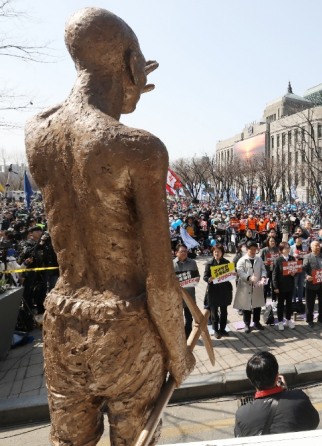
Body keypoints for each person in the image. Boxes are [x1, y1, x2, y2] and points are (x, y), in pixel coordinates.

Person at [25, 8, 194, 444]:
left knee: (67, 441)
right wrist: (178, 351)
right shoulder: (139, 149)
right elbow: (159, 276)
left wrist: (120, 77)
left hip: (62, 321)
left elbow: (69, 109)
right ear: (131, 62)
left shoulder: (36, 135)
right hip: (126, 325)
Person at [234, 351, 319, 436]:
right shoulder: (299, 398)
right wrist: (285, 392)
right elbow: (314, 422)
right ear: (277, 376)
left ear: (250, 380)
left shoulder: (242, 414)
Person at [233, 242, 268, 333]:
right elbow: (240, 272)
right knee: (246, 305)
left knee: (257, 304)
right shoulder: (242, 260)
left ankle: (256, 322)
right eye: (251, 249)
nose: (253, 251)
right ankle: (247, 324)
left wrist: (263, 277)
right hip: (245, 286)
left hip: (257, 285)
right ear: (247, 249)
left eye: (254, 249)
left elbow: (263, 269)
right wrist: (248, 277)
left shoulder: (259, 259)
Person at [203, 244, 233, 338]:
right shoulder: (209, 263)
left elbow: (231, 274)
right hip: (213, 291)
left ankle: (223, 329)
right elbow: (205, 277)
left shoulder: (227, 262)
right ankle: (215, 330)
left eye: (218, 251)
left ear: (222, 253)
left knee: (224, 311)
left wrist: (233, 274)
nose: (216, 253)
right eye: (215, 251)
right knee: (214, 312)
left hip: (224, 290)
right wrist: (209, 279)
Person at [173, 244, 201, 337]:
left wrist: (196, 279)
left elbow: (197, 275)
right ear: (176, 253)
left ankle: (187, 335)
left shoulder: (192, 263)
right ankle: (179, 336)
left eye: (185, 251)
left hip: (189, 295)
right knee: (178, 318)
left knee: (189, 318)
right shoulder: (171, 264)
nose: (184, 253)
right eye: (182, 251)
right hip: (176, 297)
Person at [302, 240, 322, 328]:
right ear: (311, 247)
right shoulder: (307, 257)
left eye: (319, 246)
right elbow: (303, 269)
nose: (318, 247)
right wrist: (306, 276)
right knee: (310, 303)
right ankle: (310, 320)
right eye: (316, 246)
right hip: (311, 284)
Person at [272, 242, 297, 330]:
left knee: (289, 304)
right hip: (281, 286)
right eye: (286, 248)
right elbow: (274, 275)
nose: (288, 249)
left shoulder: (292, 258)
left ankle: (288, 319)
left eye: (288, 248)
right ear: (281, 250)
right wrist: (275, 287)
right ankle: (280, 321)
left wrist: (294, 273)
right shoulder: (278, 260)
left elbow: (296, 270)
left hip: (290, 285)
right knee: (281, 304)